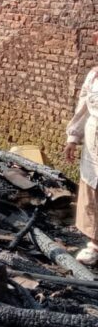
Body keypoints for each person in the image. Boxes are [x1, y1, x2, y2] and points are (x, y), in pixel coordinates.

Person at [64, 38, 98, 264]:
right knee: (92, 189)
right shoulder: (94, 76)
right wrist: (72, 137)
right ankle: (94, 244)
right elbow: (83, 106)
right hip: (94, 139)